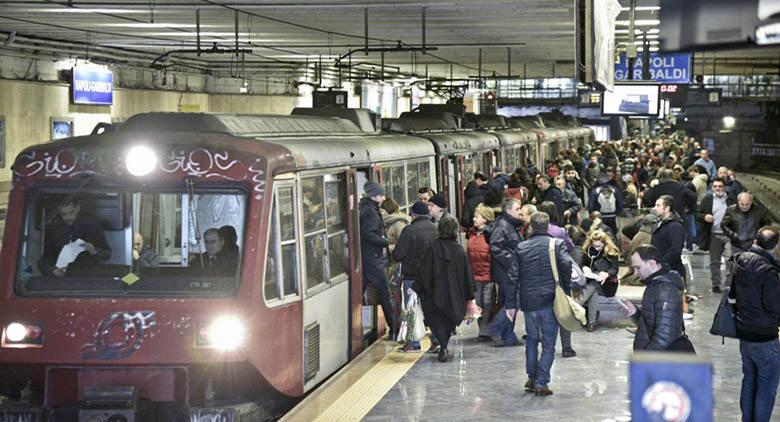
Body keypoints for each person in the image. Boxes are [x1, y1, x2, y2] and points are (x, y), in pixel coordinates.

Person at [506, 212, 572, 396]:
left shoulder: (522, 247)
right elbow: (567, 265)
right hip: (551, 300)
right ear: (548, 225)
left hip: (529, 301)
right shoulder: (557, 245)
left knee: (532, 339)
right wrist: (566, 290)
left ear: (532, 227)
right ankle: (542, 382)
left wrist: (511, 303)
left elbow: (512, 277)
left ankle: (532, 376)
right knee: (549, 343)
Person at [728, 226, 780, 422]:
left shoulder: (740, 261)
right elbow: (774, 305)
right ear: (776, 246)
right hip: (765, 336)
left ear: (756, 241)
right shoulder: (769, 271)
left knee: (749, 379)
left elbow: (732, 294)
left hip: (744, 332)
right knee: (766, 386)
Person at [414, 215, 476, 363]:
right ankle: (444, 344)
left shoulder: (433, 248)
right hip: (454, 295)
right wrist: (469, 294)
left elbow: (424, 271)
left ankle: (442, 345)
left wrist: (417, 288)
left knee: (437, 321)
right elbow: (466, 274)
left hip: (434, 294)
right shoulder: (459, 250)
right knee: (449, 321)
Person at [393, 201, 438, 352]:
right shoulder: (436, 229)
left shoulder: (409, 231)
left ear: (413, 215)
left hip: (412, 278)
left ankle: (413, 343)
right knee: (431, 309)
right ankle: (437, 338)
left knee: (412, 309)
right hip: (433, 277)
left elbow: (398, 255)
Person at [624, 244, 685, 351]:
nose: (636, 273)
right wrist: (636, 313)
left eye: (638, 267)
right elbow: (651, 323)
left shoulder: (666, 291)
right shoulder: (655, 285)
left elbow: (664, 337)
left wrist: (646, 358)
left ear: (652, 264)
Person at [538, 201, 576, 357]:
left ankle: (547, 345)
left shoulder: (533, 231)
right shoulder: (560, 232)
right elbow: (571, 248)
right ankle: (567, 347)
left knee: (545, 312)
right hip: (559, 276)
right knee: (564, 311)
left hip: (541, 277)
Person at [485, 197, 525, 347]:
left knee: (508, 301)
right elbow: (495, 247)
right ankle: (495, 328)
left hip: (508, 270)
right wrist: (512, 261)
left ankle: (508, 335)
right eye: (517, 209)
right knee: (513, 300)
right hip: (507, 271)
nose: (520, 212)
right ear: (508, 210)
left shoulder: (509, 225)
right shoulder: (503, 226)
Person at [40, 198, 112, 277]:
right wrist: (53, 271)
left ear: (77, 208)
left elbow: (107, 254)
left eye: (71, 213)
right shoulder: (53, 230)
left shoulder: (92, 227)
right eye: (63, 214)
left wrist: (94, 251)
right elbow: (46, 259)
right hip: (62, 279)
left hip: (89, 277)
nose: (68, 217)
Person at [359, 181, 394, 339]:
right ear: (375, 196)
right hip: (373, 260)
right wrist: (386, 241)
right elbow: (368, 234)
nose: (384, 197)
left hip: (368, 259)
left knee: (361, 292)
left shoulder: (365, 208)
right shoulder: (372, 213)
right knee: (385, 294)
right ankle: (394, 329)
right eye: (381, 195)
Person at [696, 178, 735, 293]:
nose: (718, 188)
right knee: (715, 261)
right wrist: (705, 217)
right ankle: (716, 284)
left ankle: (729, 283)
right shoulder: (708, 199)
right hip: (714, 234)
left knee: (730, 259)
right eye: (715, 186)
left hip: (728, 234)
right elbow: (697, 214)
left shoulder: (730, 199)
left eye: (720, 186)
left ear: (724, 187)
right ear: (712, 188)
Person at [578, 230, 620, 332]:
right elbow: (582, 263)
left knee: (594, 284)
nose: (597, 248)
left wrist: (606, 274)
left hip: (608, 284)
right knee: (594, 290)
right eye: (595, 246)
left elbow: (615, 269)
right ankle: (592, 322)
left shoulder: (611, 252)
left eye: (599, 246)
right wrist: (585, 268)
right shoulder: (587, 250)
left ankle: (577, 303)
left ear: (605, 243)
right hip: (594, 281)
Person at [381, 197, 411, 337]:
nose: (380, 213)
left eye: (381, 210)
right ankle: (395, 327)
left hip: (396, 265)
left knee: (396, 297)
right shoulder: (387, 223)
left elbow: (403, 245)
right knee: (393, 297)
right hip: (389, 264)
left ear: (388, 210)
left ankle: (398, 328)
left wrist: (388, 246)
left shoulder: (398, 224)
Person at [467, 205, 496, 341]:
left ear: (485, 219)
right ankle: (483, 329)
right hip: (475, 275)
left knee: (488, 302)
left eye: (477, 216)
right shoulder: (471, 233)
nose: (474, 219)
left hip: (489, 275)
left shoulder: (491, 234)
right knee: (478, 303)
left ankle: (486, 330)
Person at [651, 195, 686, 282]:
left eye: (658, 205)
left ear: (667, 208)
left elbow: (676, 249)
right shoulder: (658, 224)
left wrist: (661, 263)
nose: (655, 208)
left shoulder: (675, 226)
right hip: (658, 270)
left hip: (671, 272)